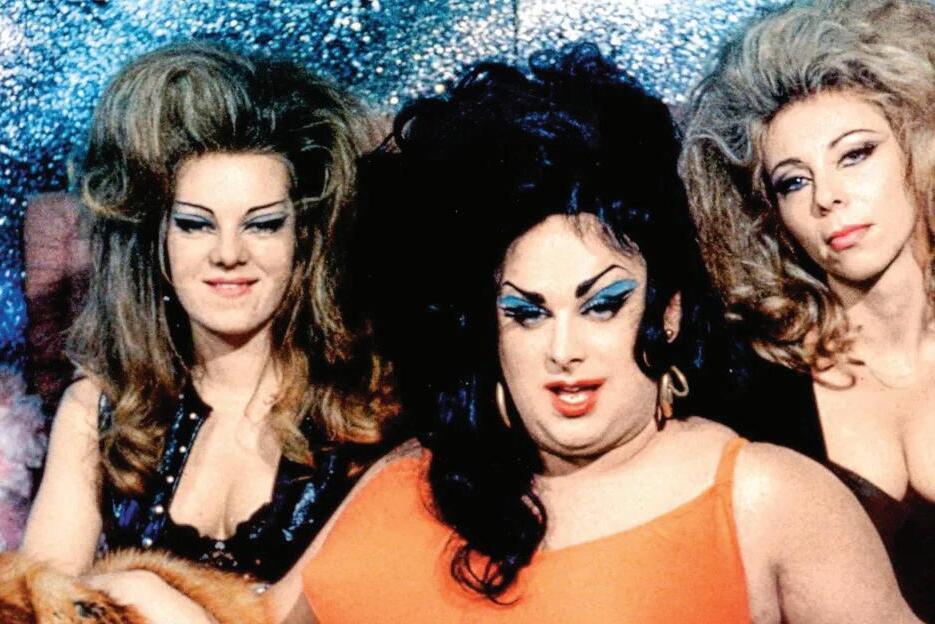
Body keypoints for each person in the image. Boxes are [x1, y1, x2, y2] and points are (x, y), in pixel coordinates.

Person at [264, 44, 919, 624]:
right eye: (527, 313)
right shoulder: (406, 477)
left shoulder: (768, 498)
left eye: (602, 305)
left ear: (667, 311)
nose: (564, 350)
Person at [21, 42, 397, 621]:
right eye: (196, 225)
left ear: (303, 239)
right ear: (158, 239)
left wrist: (143, 594)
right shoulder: (99, 409)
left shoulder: (373, 409)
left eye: (262, 225)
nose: (228, 254)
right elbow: (39, 603)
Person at [680, 0, 935, 619]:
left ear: (917, 147)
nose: (828, 197)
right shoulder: (751, 383)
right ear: (770, 216)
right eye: (794, 181)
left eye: (855, 154)